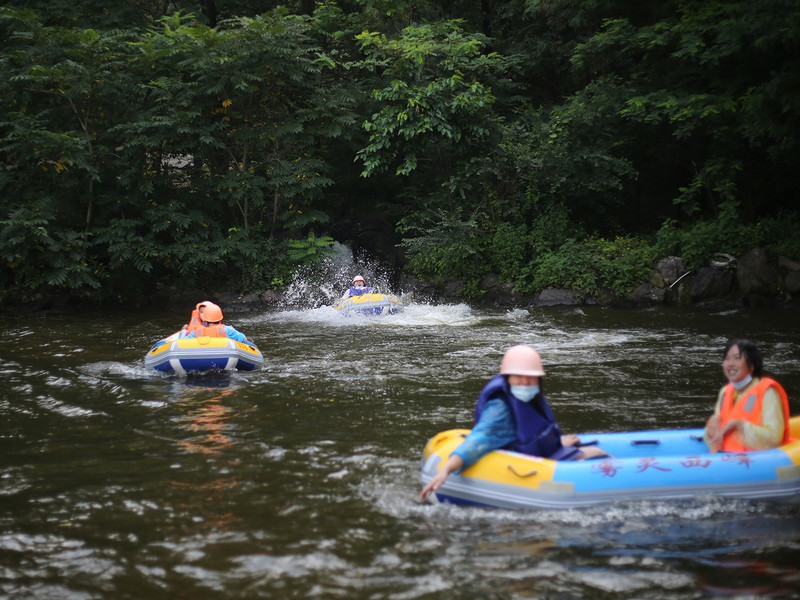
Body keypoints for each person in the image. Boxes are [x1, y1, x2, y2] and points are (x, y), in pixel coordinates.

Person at [419, 345, 608, 501]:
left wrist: (557, 444)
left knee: (596, 453)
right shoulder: (501, 409)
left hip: (534, 457)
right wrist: (445, 470)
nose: (525, 382)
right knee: (599, 454)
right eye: (518, 377)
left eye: (530, 377)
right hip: (522, 467)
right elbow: (476, 441)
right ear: (507, 378)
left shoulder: (527, 398)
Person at [704, 339, 791, 453]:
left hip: (758, 460)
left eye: (737, 358)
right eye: (727, 358)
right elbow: (714, 436)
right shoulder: (725, 391)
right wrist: (714, 421)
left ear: (752, 365)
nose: (730, 363)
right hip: (726, 457)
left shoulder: (768, 392)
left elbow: (774, 439)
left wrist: (740, 425)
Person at [178, 302, 248, 343]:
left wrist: (183, 331)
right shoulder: (228, 329)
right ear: (220, 317)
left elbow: (181, 342)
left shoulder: (196, 332)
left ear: (205, 318)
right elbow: (243, 339)